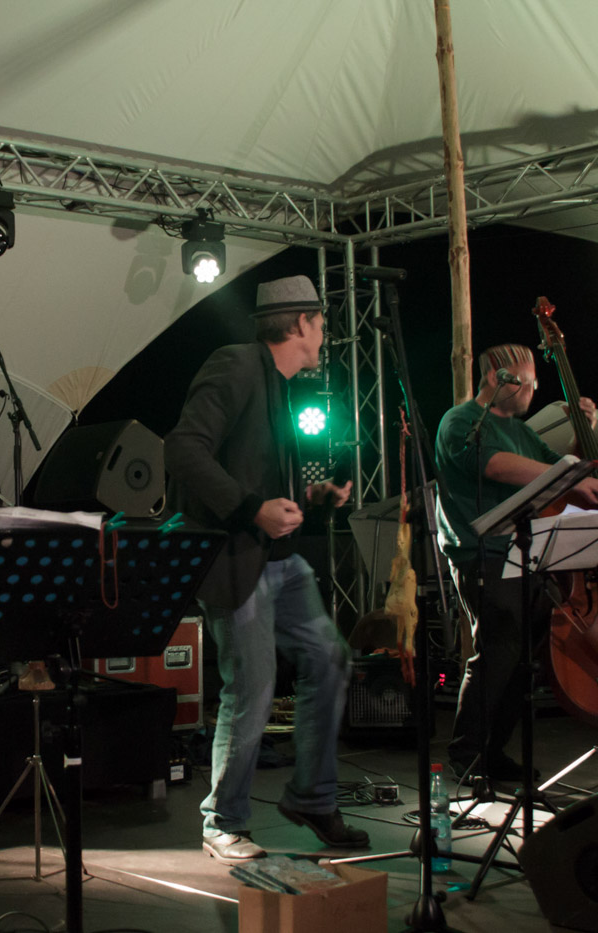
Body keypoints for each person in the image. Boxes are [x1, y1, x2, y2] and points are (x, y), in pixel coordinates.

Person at [164, 274, 364, 863]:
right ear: (301, 323)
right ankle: (223, 821)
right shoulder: (236, 365)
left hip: (279, 559)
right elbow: (183, 449)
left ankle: (312, 798)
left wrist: (312, 495)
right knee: (253, 687)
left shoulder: (279, 384)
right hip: (234, 558)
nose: (324, 336)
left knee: (329, 658)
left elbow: (260, 475)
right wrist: (252, 508)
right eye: (321, 324)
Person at [434, 344, 598, 782]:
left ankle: (493, 752)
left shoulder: (522, 432)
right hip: (482, 552)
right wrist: (566, 475)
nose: (534, 392)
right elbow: (495, 466)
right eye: (528, 383)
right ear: (498, 379)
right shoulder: (461, 421)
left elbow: (562, 468)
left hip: (525, 551)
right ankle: (467, 753)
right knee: (498, 650)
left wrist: (583, 433)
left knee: (522, 659)